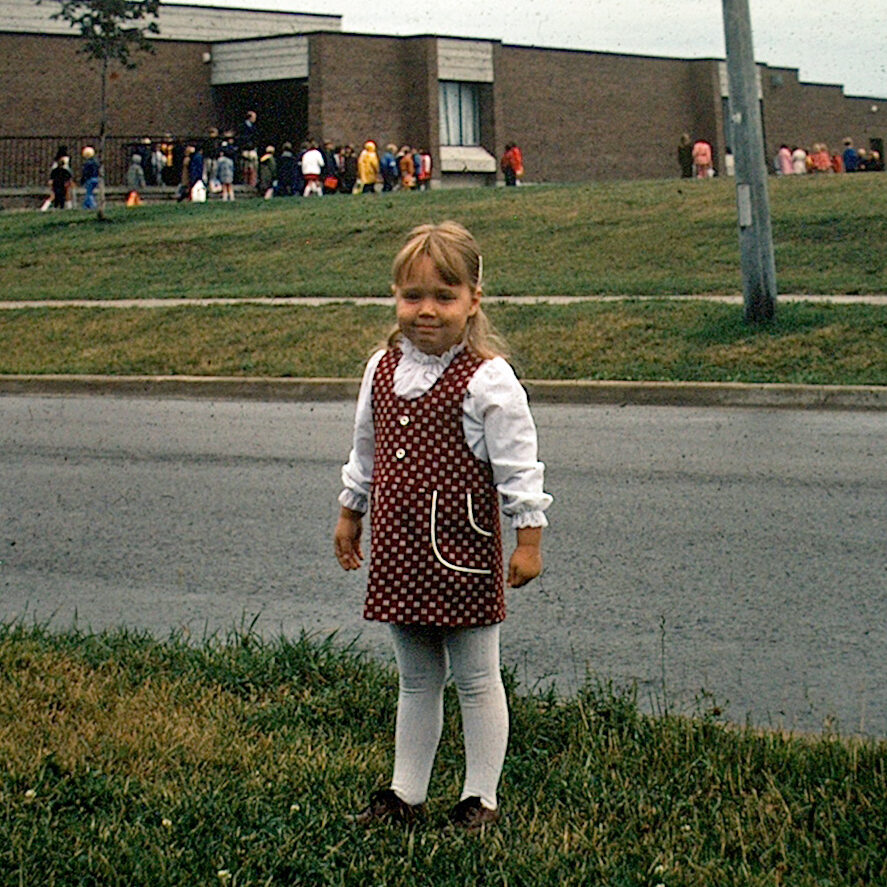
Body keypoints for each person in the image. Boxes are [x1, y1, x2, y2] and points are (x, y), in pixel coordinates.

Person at [334, 221, 551, 831]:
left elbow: (518, 465)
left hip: (462, 550)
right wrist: (352, 511)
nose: (426, 310)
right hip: (400, 550)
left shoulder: (487, 379)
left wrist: (527, 538)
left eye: (444, 297)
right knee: (416, 676)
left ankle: (480, 797)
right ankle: (406, 793)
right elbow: (365, 452)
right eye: (412, 296)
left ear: (473, 301)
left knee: (477, 677)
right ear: (395, 296)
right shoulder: (381, 368)